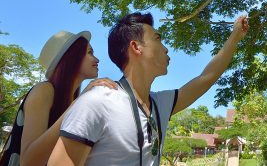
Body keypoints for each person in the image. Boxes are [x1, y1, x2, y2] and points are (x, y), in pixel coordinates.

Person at [48, 12, 249, 166]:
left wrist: (235, 37)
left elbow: (206, 78)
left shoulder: (160, 104)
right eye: (158, 38)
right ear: (136, 47)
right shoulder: (98, 101)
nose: (166, 47)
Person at [0, 30, 117, 166]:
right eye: (90, 52)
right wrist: (79, 104)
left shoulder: (71, 102)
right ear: (71, 57)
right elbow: (29, 161)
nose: (97, 59)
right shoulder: (44, 90)